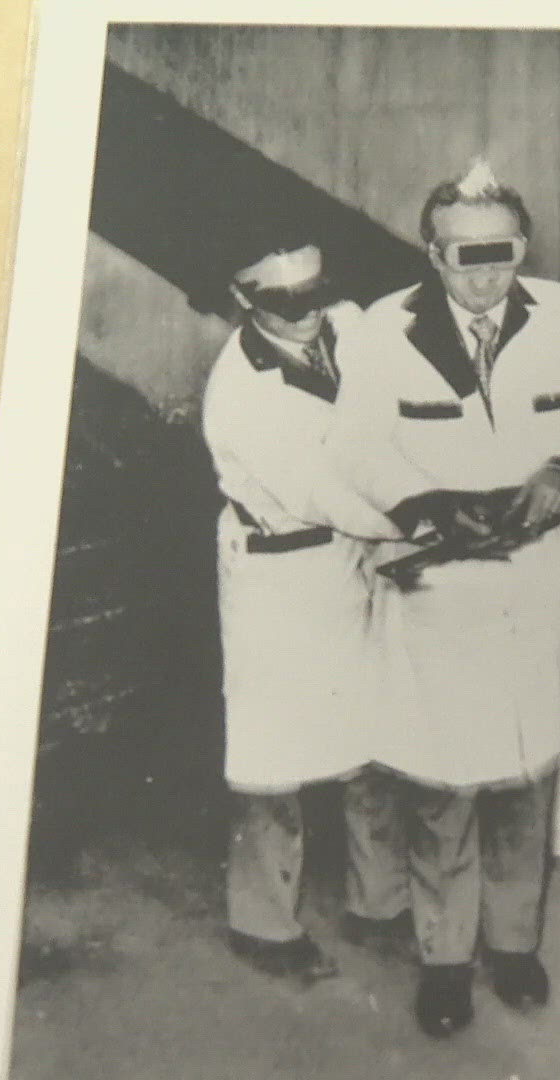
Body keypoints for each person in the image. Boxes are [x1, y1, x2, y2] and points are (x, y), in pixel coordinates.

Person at [328, 161, 560, 1036]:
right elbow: (353, 444)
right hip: (442, 584)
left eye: (501, 255)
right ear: (431, 253)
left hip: (540, 580)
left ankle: (515, 946)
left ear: (524, 248)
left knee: (526, 779)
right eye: (464, 258)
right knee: (444, 788)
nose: (484, 276)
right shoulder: (385, 333)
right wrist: (423, 503)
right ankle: (444, 962)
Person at [199, 238, 415, 986]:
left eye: (315, 291)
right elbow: (325, 491)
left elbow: (381, 345)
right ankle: (263, 925)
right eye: (285, 303)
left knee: (373, 737)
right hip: (278, 572)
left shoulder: (341, 320)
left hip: (349, 559)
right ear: (244, 299)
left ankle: (380, 904)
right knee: (272, 760)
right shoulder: (239, 395)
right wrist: (429, 519)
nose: (307, 313)